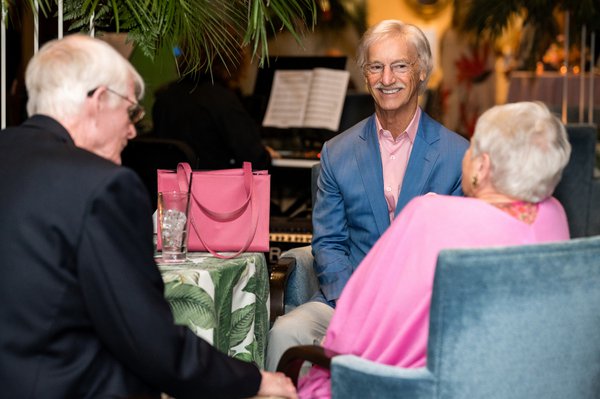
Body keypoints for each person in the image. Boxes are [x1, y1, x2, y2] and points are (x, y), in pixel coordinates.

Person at [0, 34, 296, 399]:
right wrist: (255, 381)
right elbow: (150, 340)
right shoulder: (103, 187)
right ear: (97, 100)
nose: (132, 130)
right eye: (129, 111)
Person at [298, 101, 572, 398]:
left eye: (473, 147)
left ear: (482, 166)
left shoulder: (430, 216)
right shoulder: (553, 215)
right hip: (519, 380)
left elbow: (364, 314)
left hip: (419, 385)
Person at [266, 20, 470, 371]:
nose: (387, 78)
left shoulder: (456, 155)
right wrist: (352, 304)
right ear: (365, 76)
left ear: (421, 72)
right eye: (376, 67)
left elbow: (455, 253)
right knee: (286, 330)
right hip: (345, 303)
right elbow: (329, 242)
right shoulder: (337, 152)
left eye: (400, 66)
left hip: (420, 311)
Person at [152, 45, 278, 171]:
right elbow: (255, 160)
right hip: (213, 186)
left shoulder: (164, 97)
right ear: (231, 59)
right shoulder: (222, 100)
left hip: (171, 187)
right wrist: (267, 155)